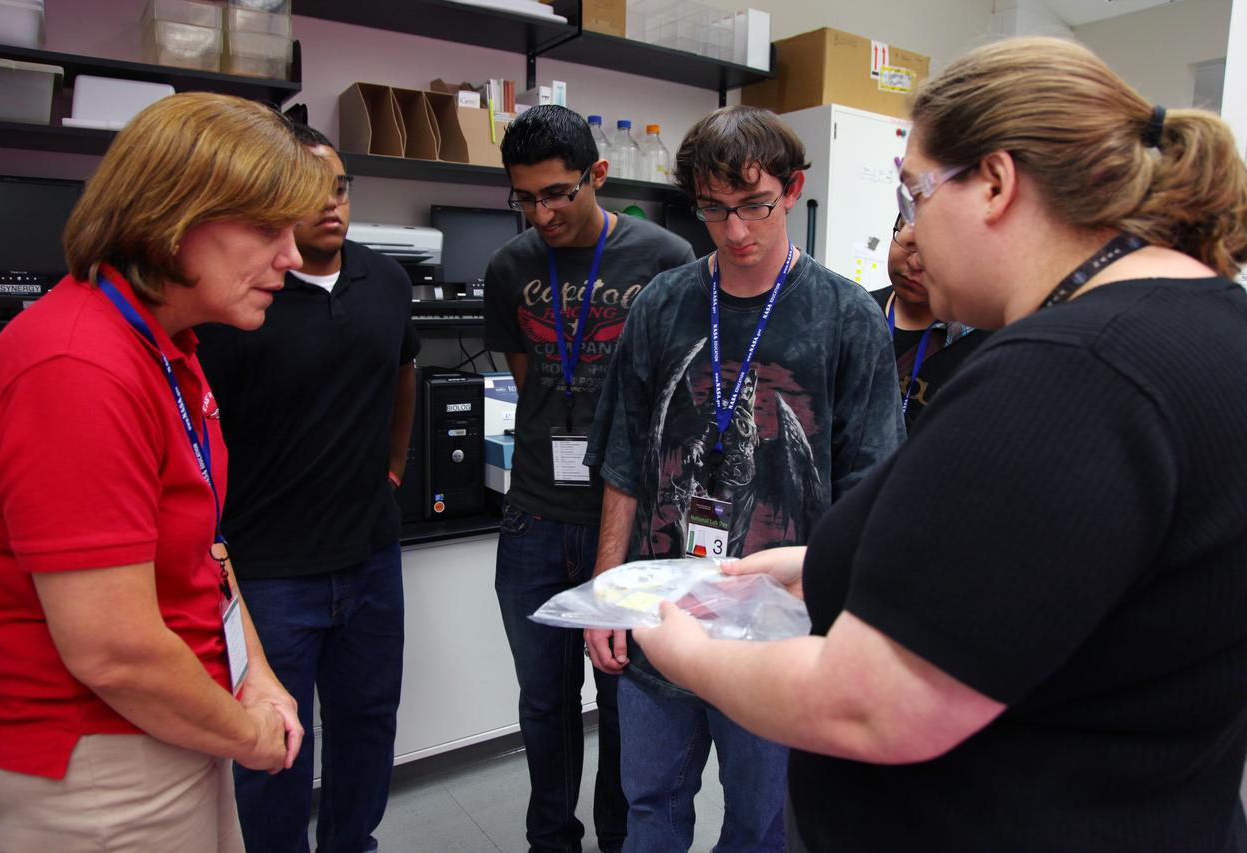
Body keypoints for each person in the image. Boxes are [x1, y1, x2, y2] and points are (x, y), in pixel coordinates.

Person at [630, 37, 1247, 853]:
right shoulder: (1209, 322)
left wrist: (688, 653)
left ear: (994, 183)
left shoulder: (1062, 370)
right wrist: (818, 565)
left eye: (913, 194)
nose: (909, 235)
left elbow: (872, 702)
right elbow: (1043, 575)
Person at [0, 92, 333, 852]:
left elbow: (204, 545)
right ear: (176, 217)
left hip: (169, 723)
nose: (292, 257)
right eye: (267, 229)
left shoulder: (167, 351)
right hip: (93, 765)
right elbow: (113, 649)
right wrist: (249, 733)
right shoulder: (78, 367)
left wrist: (255, 674)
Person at [583, 104, 904, 852]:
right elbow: (627, 460)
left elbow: (870, 488)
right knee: (650, 805)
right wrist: (605, 595)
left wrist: (845, 627)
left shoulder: (846, 317)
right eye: (714, 209)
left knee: (762, 823)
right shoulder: (662, 305)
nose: (735, 231)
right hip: (665, 617)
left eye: (754, 205)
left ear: (792, 190)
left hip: (779, 633)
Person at [197, 123, 419, 853]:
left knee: (367, 727)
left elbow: (403, 369)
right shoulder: (242, 293)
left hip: (369, 558)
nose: (331, 203)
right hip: (269, 571)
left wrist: (394, 463)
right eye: (310, 189)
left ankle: (352, 843)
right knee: (274, 746)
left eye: (342, 186)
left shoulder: (386, 280)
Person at [484, 104, 695, 853]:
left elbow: (678, 396)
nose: (541, 213)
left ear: (597, 176)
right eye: (525, 197)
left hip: (628, 525)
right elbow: (529, 380)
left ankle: (615, 837)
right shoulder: (509, 268)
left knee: (623, 700)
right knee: (544, 701)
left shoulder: (667, 259)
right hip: (535, 518)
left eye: (557, 193)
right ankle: (552, 839)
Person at [870, 213, 989, 429]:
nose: (915, 262)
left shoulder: (987, 343)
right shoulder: (853, 315)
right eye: (909, 243)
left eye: (934, 252)